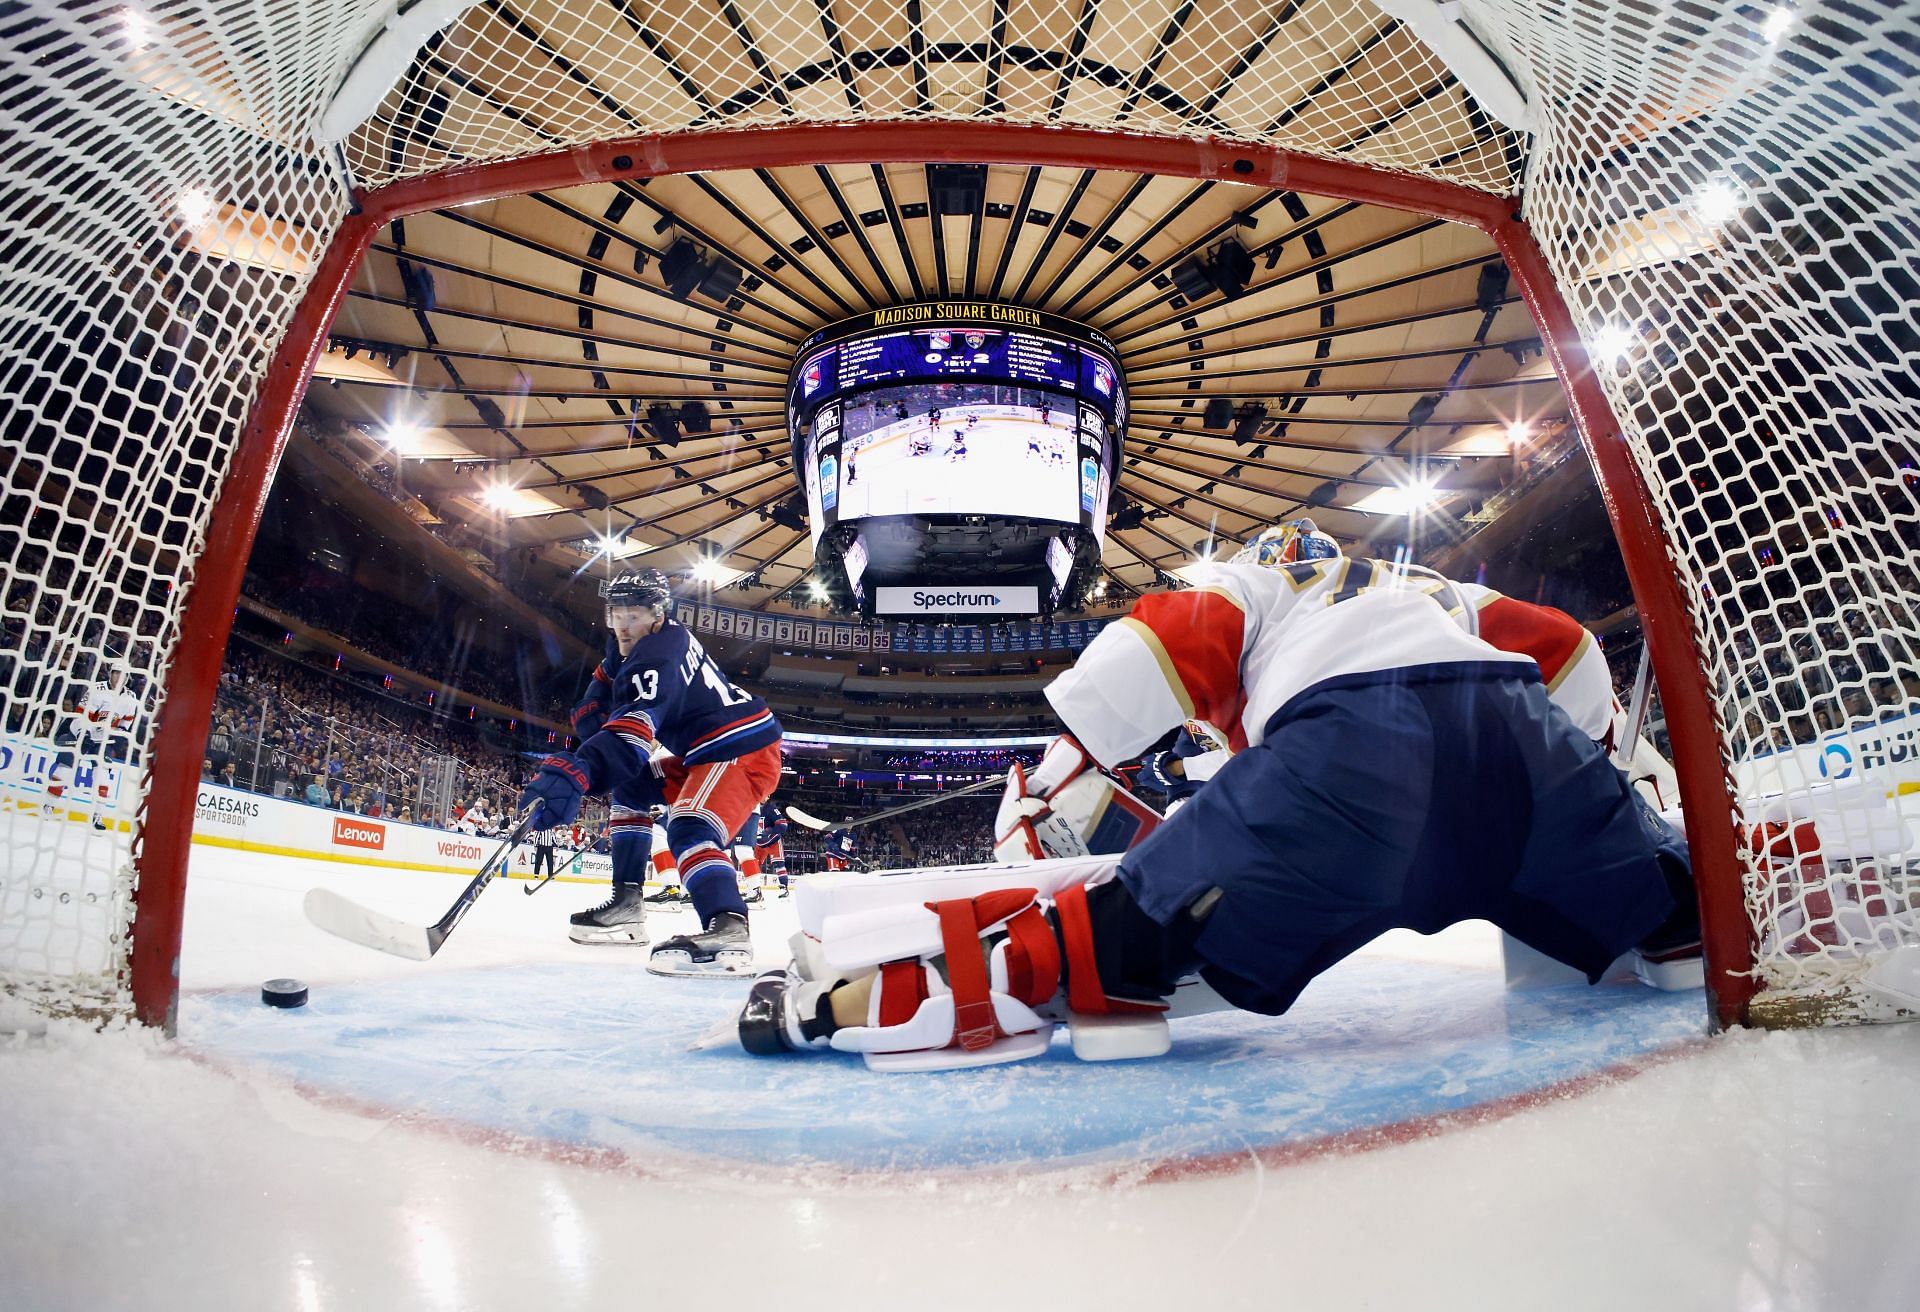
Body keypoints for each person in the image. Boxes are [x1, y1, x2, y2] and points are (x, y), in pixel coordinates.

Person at [735, 525, 1696, 1066]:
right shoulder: (1437, 591)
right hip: (1525, 746)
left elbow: (1157, 647)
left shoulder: (1261, 579)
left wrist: (1073, 759)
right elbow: (1566, 650)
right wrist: (1604, 775)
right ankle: (1676, 916)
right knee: (1672, 905)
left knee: (1115, 942)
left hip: (1352, 760)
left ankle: (852, 1006)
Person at [520, 569, 783, 975]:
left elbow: (631, 735)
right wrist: (594, 717)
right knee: (631, 788)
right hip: (706, 748)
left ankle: (729, 924)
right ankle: (627, 904)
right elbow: (603, 690)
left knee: (690, 828)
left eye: (635, 616)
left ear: (658, 615)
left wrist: (582, 769)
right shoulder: (632, 648)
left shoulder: (657, 656)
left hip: (741, 747)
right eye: (617, 615)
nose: (624, 627)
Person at [43, 664, 140, 829]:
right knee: (65, 769)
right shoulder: (97, 689)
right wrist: (85, 733)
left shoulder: (131, 698)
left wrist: (118, 735)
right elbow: (81, 714)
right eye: (115, 673)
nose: (118, 677)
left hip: (103, 739)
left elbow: (126, 722)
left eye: (122, 675)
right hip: (80, 733)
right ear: (110, 674)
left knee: (103, 777)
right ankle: (49, 805)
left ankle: (97, 817)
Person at [752, 801, 792, 896]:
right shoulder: (752, 806)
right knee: (753, 864)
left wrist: (771, 831)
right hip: (759, 842)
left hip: (772, 841)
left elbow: (783, 824)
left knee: (779, 864)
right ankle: (753, 889)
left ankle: (784, 889)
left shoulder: (770, 808)